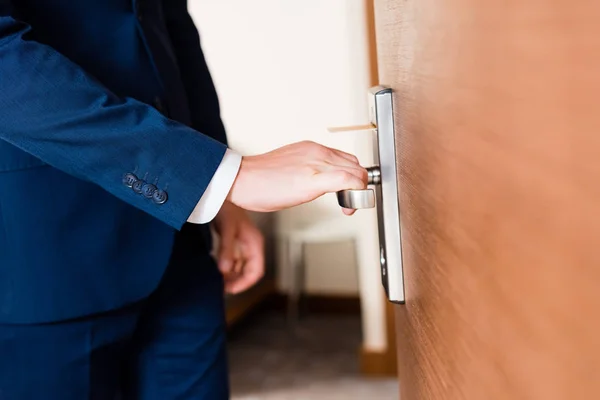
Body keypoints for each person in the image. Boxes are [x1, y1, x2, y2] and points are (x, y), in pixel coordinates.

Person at [0, 0, 368, 399]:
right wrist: (220, 177)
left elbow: (170, 31)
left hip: (181, 248)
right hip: (45, 255)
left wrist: (221, 190)